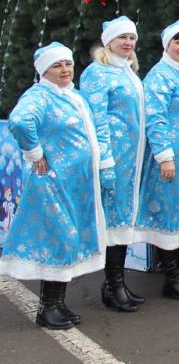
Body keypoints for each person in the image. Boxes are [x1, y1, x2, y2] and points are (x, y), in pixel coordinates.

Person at [1, 43, 112, 330]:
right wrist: (35, 153)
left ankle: (58, 302)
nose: (64, 70)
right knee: (58, 239)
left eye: (67, 64)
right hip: (51, 183)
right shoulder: (39, 96)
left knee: (67, 240)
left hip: (76, 185)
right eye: (57, 66)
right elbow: (21, 121)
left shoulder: (73, 95)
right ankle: (47, 307)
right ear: (43, 71)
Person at [133, 21, 179, 301]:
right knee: (168, 214)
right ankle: (171, 277)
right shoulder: (160, 76)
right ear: (167, 45)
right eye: (178, 42)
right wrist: (164, 156)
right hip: (169, 158)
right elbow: (155, 117)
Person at [80, 15, 145, 312]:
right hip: (114, 158)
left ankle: (116, 283)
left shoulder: (129, 72)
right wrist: (105, 159)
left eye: (131, 38)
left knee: (122, 220)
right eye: (123, 38)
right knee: (112, 220)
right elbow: (98, 119)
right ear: (109, 42)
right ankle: (112, 284)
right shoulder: (97, 73)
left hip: (131, 159)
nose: (128, 43)